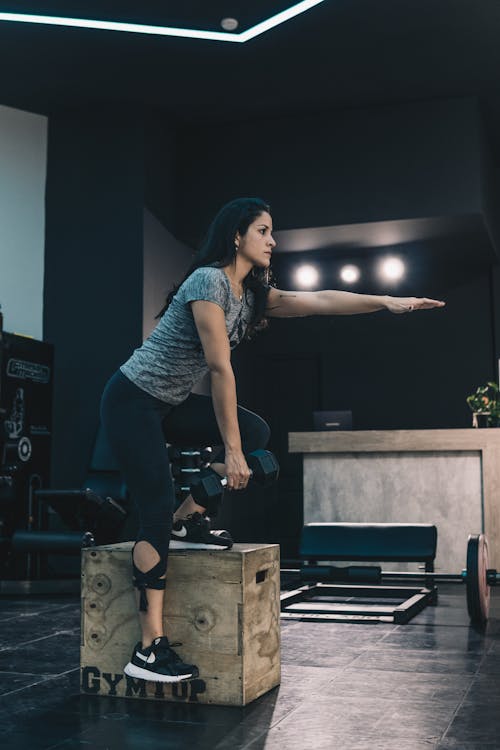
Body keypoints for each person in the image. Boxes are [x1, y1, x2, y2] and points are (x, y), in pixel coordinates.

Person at [100, 196, 445, 684]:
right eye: (263, 230)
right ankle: (148, 650)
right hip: (132, 400)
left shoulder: (251, 295)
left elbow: (321, 300)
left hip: (169, 404)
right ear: (237, 235)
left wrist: (387, 302)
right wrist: (232, 451)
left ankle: (185, 522)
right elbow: (220, 369)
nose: (272, 240)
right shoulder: (208, 282)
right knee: (154, 504)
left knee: (257, 434)